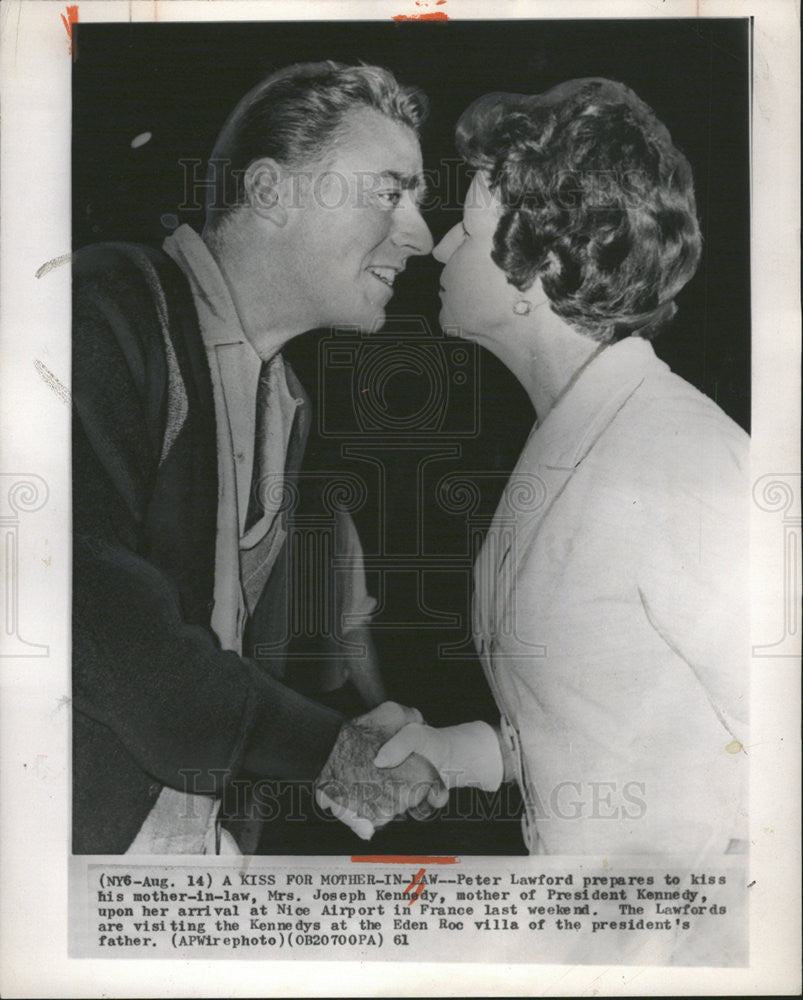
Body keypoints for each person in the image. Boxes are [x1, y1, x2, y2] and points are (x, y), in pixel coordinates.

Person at [71, 61, 441, 855]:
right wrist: (322, 750)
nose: (421, 236)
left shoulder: (285, 400)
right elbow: (91, 615)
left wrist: (343, 740)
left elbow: (223, 664)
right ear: (270, 191)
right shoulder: (104, 311)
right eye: (389, 191)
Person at [374, 78, 749, 855]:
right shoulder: (569, 435)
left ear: (537, 263)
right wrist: (464, 754)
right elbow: (619, 712)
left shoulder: (677, 457)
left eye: (466, 231)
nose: (438, 246)